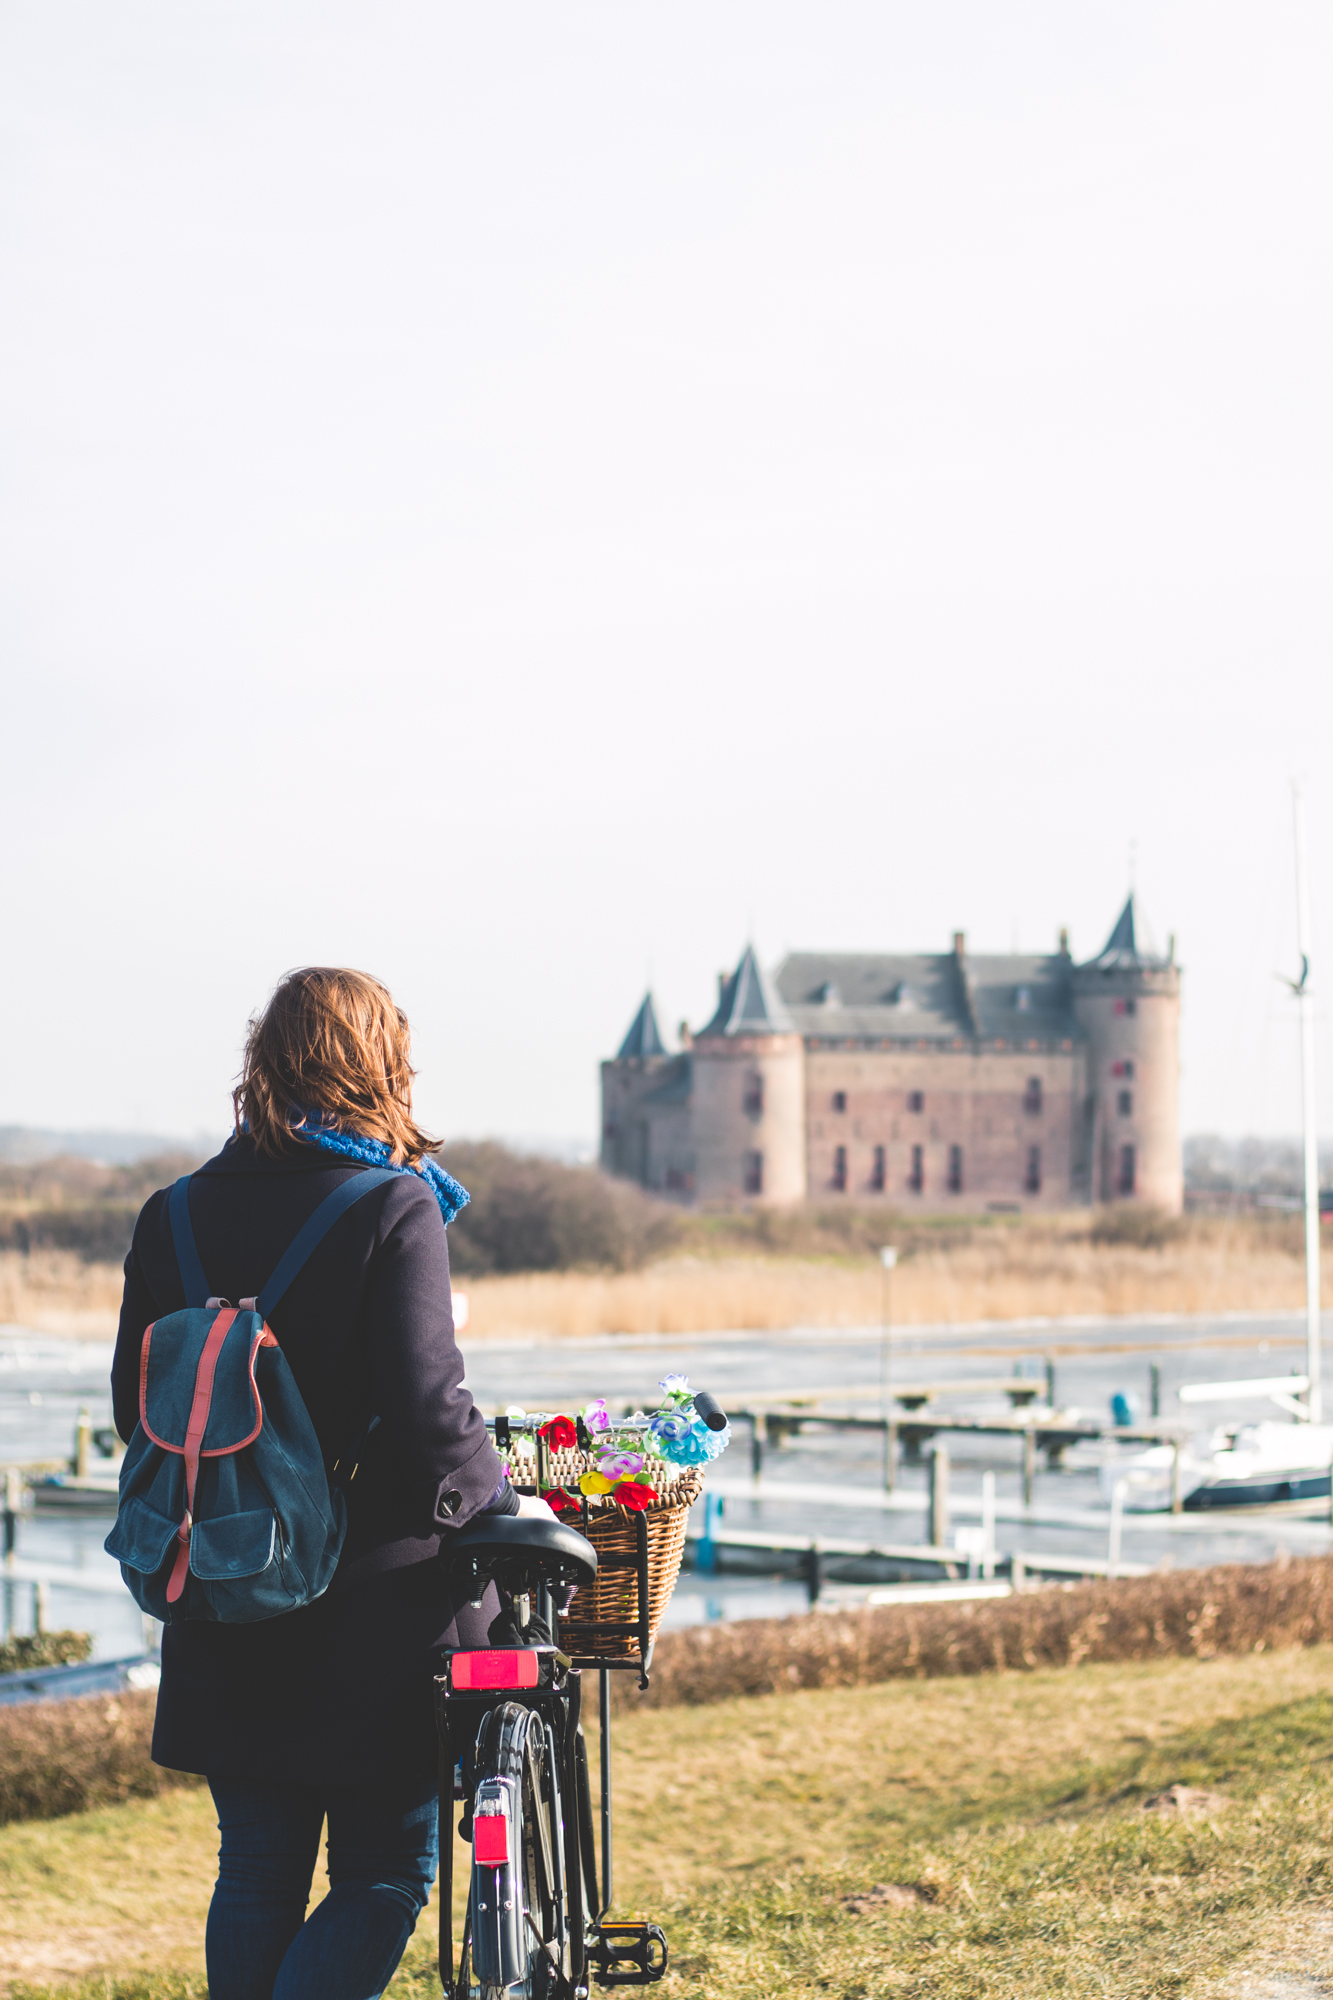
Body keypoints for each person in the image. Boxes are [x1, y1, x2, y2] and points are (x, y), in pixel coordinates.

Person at [111, 966, 550, 2000]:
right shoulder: (393, 1205)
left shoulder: (170, 1211)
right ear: (379, 1065)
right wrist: (502, 1501)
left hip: (221, 1577)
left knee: (256, 1867)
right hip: (375, 1603)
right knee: (386, 1870)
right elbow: (434, 1411)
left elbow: (143, 1413)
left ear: (263, 1060)